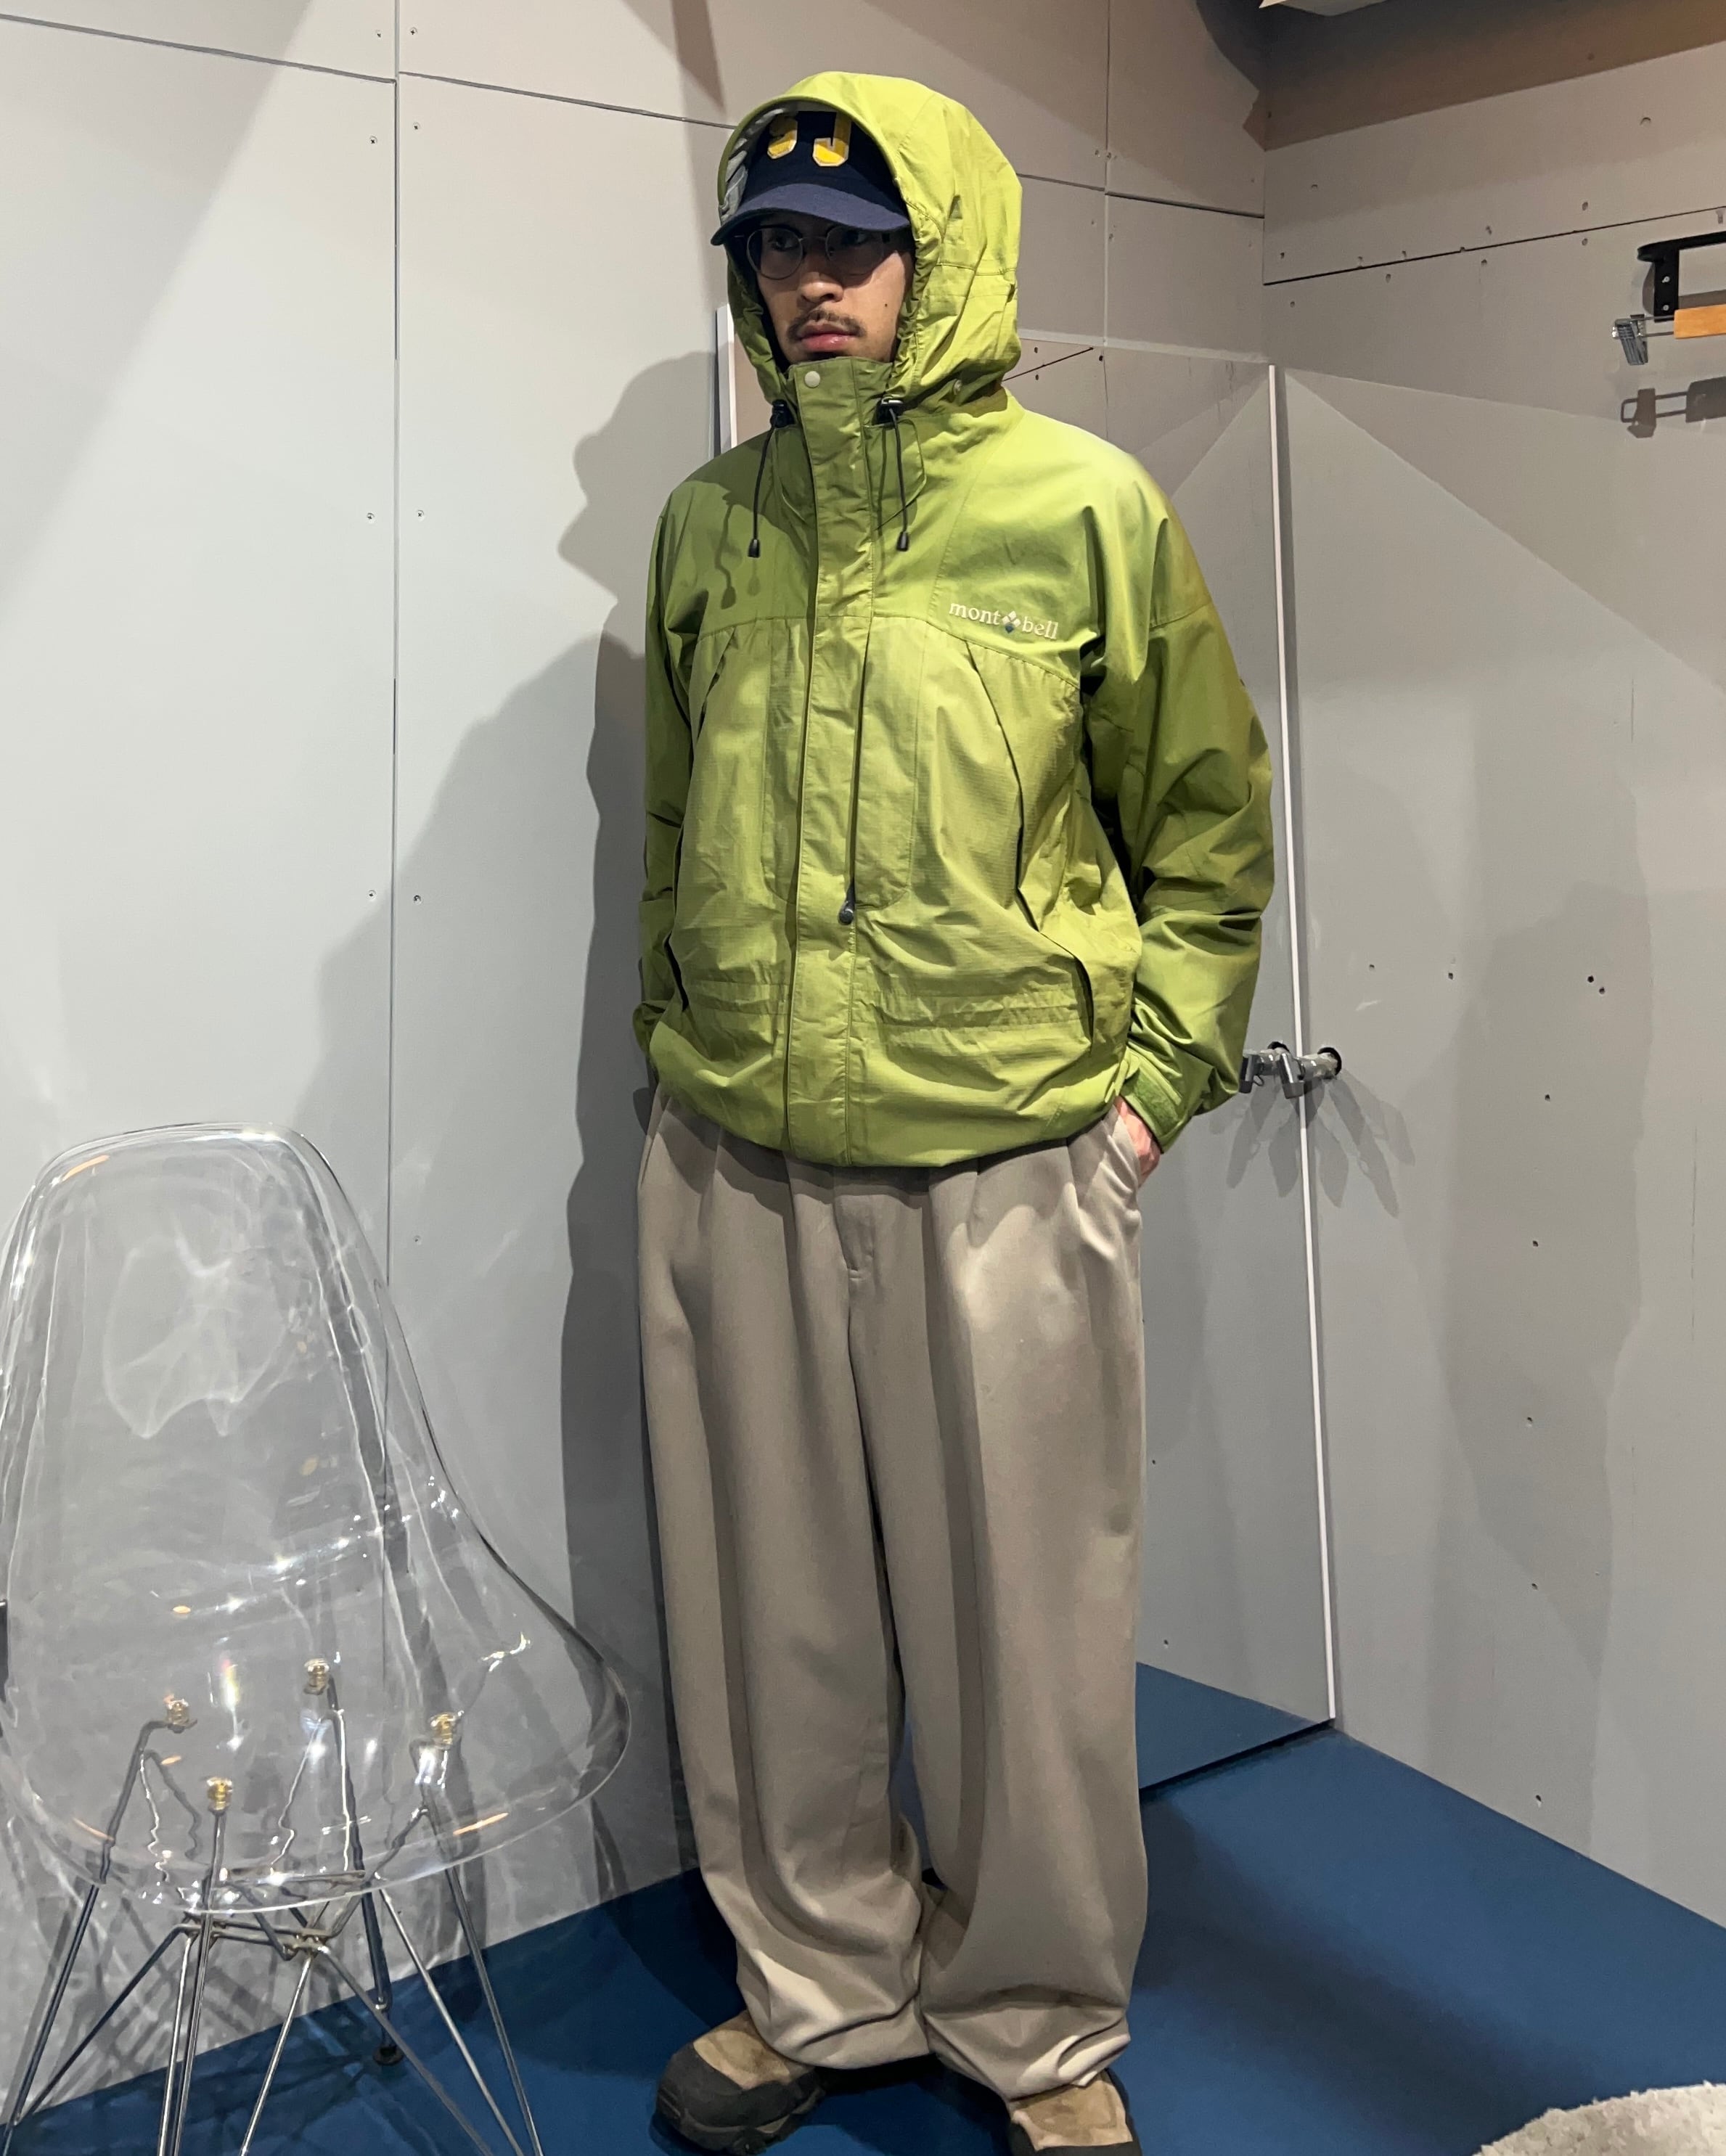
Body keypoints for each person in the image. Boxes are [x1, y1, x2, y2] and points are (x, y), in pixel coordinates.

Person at [634, 71, 1272, 2156]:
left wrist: (1148, 1101)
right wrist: (675, 1040)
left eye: (853, 243)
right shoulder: (710, 525)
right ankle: (823, 1989)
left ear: (947, 256)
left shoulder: (1084, 508)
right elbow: (671, 830)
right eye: (773, 250)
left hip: (1007, 1160)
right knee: (772, 1627)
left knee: (1026, 1643)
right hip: (736, 1155)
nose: (809, 285)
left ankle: (1035, 2026)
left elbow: (1207, 838)